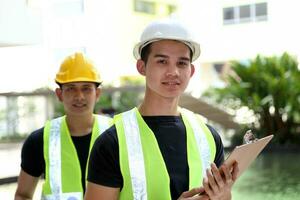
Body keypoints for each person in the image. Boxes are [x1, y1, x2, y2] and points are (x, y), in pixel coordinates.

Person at [84, 18, 238, 200]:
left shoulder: (209, 137)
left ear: (192, 71)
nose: (173, 72)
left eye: (182, 63)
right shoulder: (112, 142)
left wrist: (224, 195)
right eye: (162, 62)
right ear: (142, 67)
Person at [14, 52, 112, 200]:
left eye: (86, 88)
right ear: (59, 94)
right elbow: (23, 195)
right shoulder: (39, 140)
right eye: (71, 88)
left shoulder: (116, 135)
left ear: (97, 93)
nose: (79, 96)